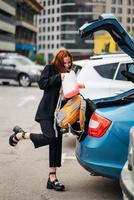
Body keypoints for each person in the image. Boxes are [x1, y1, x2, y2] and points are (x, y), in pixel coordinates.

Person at [9, 49, 73, 192]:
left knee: (56, 144)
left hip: (59, 115)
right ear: (59, 61)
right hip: (45, 112)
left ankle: (52, 178)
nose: (68, 65)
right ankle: (21, 135)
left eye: (69, 63)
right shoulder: (50, 69)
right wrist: (59, 77)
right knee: (50, 138)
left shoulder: (70, 75)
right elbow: (42, 83)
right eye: (65, 63)